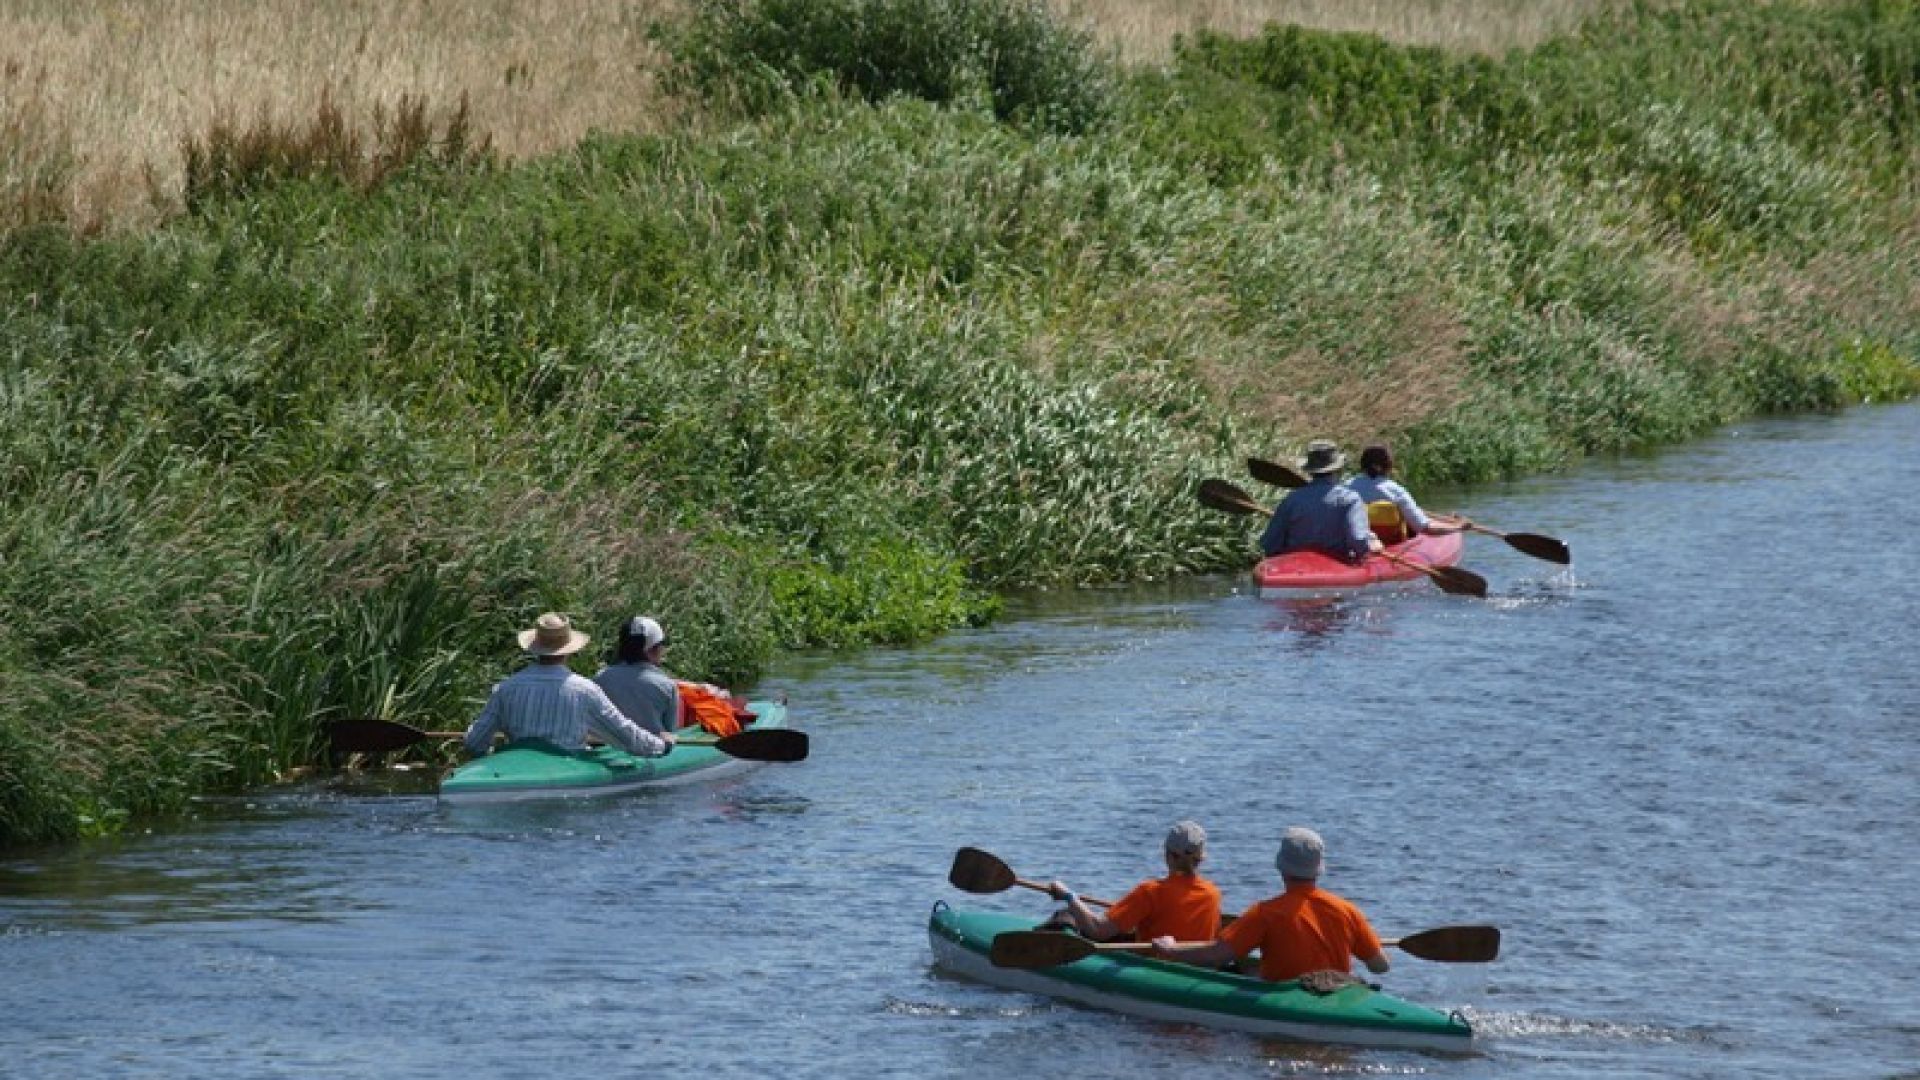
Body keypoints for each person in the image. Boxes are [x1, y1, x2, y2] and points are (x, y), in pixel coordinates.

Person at [1150, 827, 1390, 983]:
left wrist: (1171, 950)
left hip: (1288, 996)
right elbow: (1380, 966)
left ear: (1282, 868)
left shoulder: (1265, 913)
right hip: (1339, 992)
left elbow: (1217, 955)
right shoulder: (1347, 910)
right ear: (1318, 869)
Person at [462, 612, 675, 758]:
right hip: (568, 764)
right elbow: (624, 734)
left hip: (517, 765)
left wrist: (492, 756)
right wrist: (661, 745)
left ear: (535, 647)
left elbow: (474, 742)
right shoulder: (584, 690)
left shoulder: (505, 688)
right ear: (569, 649)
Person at [1042, 821, 1222, 945]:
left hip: (1158, 969)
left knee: (1066, 916)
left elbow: (1099, 930)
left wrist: (1068, 895)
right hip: (1197, 969)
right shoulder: (1213, 894)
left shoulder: (1151, 892)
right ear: (1200, 859)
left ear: (1169, 856)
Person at [1258, 440, 1382, 562]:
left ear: (1310, 471)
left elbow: (1270, 543)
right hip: (1338, 566)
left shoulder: (1291, 499)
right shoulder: (1351, 499)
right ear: (1338, 469)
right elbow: (1358, 540)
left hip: (1296, 567)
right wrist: (1372, 544)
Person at [1344, 445, 1465, 544]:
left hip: (1355, 544)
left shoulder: (1345, 487)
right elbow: (1425, 528)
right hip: (1391, 545)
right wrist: (1458, 527)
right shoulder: (1396, 491)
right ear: (1386, 466)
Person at [592, 616, 681, 736]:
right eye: (662, 644)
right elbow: (671, 732)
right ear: (651, 650)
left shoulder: (600, 678)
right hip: (652, 750)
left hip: (608, 749)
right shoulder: (667, 686)